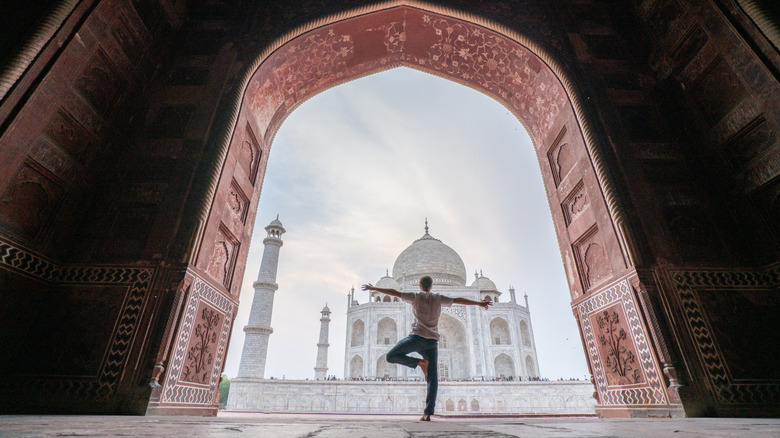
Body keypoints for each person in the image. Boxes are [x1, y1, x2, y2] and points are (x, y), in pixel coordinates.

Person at [362, 275, 491, 421]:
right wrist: (479, 303)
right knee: (433, 379)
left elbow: (394, 292)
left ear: (420, 285)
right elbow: (459, 300)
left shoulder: (415, 296)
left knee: (391, 356)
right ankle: (427, 413)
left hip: (416, 338)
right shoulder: (438, 298)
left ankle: (419, 363)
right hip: (432, 342)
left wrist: (373, 288)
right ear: (431, 286)